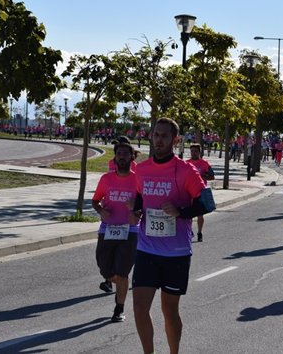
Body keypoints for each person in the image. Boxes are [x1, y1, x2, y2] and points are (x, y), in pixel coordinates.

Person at [131, 118, 215, 354]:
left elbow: (208, 203)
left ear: (175, 140)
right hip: (146, 249)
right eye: (156, 135)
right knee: (139, 307)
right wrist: (135, 210)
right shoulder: (143, 169)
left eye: (164, 136)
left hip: (176, 253)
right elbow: (140, 196)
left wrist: (181, 212)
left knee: (169, 310)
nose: (158, 140)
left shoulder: (186, 170)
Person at [92, 142, 139, 323]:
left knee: (123, 273)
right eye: (118, 153)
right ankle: (116, 282)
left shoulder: (137, 179)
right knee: (104, 268)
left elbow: (146, 203)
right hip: (107, 229)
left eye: (125, 154)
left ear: (131, 158)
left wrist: (137, 211)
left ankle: (119, 308)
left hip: (130, 230)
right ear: (115, 157)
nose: (121, 156)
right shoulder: (106, 179)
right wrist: (101, 211)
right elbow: (95, 200)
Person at [187, 143, 215, 242]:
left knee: (200, 214)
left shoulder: (204, 163)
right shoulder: (187, 163)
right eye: (192, 151)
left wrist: (202, 176)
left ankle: (199, 232)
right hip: (188, 192)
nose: (193, 153)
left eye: (195, 151)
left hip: (200, 192)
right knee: (188, 214)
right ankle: (189, 231)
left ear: (199, 152)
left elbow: (212, 176)